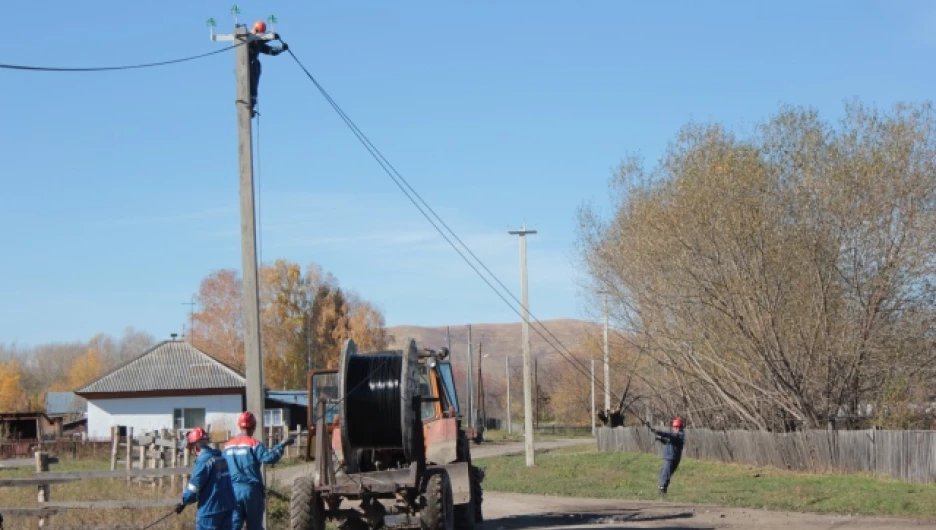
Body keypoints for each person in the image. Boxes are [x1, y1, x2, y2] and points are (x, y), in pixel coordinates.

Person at [223, 411, 296, 530]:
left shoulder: (227, 446)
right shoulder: (254, 444)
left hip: (232, 492)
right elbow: (269, 457)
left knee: (233, 526)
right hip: (251, 491)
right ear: (253, 427)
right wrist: (282, 445)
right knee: (255, 526)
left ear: (239, 426)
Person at [175, 427, 237, 529]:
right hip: (227, 506)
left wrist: (183, 501)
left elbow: (194, 487)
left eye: (191, 449)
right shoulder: (220, 458)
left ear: (195, 447)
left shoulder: (203, 461)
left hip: (210, 511)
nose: (192, 452)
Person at [248, 20, 288, 116]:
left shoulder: (257, 41)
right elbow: (259, 41)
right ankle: (248, 106)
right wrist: (271, 36)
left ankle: (250, 106)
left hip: (253, 66)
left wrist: (280, 49)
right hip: (246, 66)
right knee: (250, 87)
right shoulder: (247, 38)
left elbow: (269, 50)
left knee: (253, 88)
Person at [650, 417, 685, 495]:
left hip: (672, 458)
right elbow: (668, 442)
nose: (675, 429)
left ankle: (662, 490)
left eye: (677, 427)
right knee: (662, 473)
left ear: (680, 427)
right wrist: (660, 439)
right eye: (674, 427)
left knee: (665, 474)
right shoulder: (675, 436)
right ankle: (662, 489)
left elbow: (670, 436)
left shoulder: (680, 435)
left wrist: (658, 432)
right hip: (669, 457)